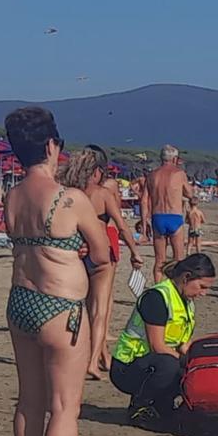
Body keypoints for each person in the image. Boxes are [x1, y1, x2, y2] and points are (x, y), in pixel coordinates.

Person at [2, 106, 110, 436]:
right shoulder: (71, 199)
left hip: (20, 301)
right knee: (65, 406)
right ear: (51, 145)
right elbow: (100, 255)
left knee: (29, 401)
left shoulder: (11, 196)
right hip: (60, 307)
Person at [60, 146, 145, 379]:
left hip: (77, 251)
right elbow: (122, 226)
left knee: (84, 307)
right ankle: (92, 360)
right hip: (100, 251)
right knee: (100, 309)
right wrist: (134, 252)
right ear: (97, 171)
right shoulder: (102, 193)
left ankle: (102, 355)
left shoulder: (69, 193)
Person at [111, 254, 217, 427]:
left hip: (152, 362)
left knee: (189, 369)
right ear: (186, 277)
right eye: (202, 287)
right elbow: (157, 346)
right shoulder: (157, 297)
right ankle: (139, 407)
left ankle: (162, 405)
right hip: (126, 366)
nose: (204, 293)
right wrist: (186, 362)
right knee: (171, 365)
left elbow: (183, 345)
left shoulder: (186, 302)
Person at [141, 145, 195, 283]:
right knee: (179, 259)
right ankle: (178, 289)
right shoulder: (179, 174)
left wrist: (143, 223)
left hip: (157, 217)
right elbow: (190, 194)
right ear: (175, 158)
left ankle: (158, 289)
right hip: (174, 216)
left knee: (159, 260)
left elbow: (144, 200)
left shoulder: (152, 175)